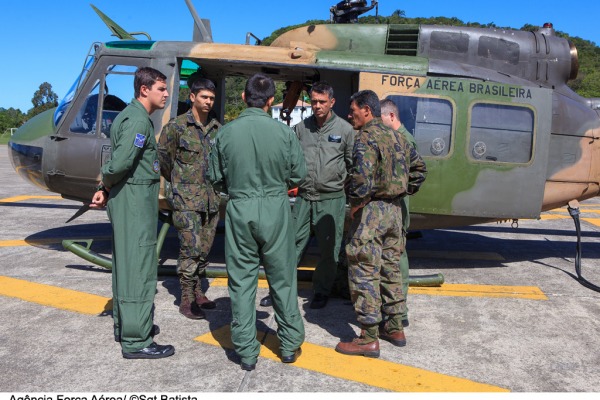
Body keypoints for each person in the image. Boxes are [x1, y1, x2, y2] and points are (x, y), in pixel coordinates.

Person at [208, 73, 306, 371]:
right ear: (271, 101)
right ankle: (289, 344)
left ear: (243, 98)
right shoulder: (284, 133)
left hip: (240, 207)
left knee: (241, 281)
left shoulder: (224, 133)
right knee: (283, 278)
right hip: (276, 208)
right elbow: (299, 176)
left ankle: (247, 351)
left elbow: (214, 178)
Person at [335, 90, 427, 358]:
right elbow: (420, 169)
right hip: (394, 213)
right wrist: (401, 190)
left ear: (366, 109)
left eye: (353, 110)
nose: (350, 114)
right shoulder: (397, 136)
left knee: (364, 271)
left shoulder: (365, 138)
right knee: (390, 269)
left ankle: (368, 337)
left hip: (372, 211)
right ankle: (395, 327)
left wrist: (356, 204)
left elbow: (361, 180)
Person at [90, 67, 174, 359]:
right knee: (139, 268)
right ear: (144, 90)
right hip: (136, 204)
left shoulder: (128, 116)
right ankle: (137, 340)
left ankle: (125, 326)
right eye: (161, 89)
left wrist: (106, 187)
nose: (166, 94)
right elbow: (122, 162)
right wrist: (104, 181)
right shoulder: (139, 121)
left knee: (126, 265)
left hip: (128, 200)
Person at [260, 82, 354, 309]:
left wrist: (342, 188)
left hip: (331, 200)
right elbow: (290, 159)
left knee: (328, 250)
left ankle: (322, 291)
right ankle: (280, 291)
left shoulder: (345, 130)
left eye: (322, 102)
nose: (318, 106)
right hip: (303, 198)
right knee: (290, 246)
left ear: (332, 102)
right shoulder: (302, 128)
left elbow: (352, 165)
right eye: (314, 102)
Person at [158, 77, 221, 320]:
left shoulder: (217, 128)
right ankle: (186, 298)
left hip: (210, 201)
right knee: (189, 249)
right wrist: (180, 186)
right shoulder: (177, 127)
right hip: (186, 201)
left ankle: (198, 291)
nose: (208, 102)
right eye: (204, 97)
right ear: (192, 97)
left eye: (212, 98)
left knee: (204, 249)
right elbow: (164, 161)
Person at [380, 99, 419, 328]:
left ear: (391, 116)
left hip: (398, 205)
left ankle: (400, 309)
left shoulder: (404, 140)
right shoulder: (396, 138)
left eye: (382, 119)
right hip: (393, 204)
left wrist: (403, 192)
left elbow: (415, 174)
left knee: (399, 257)